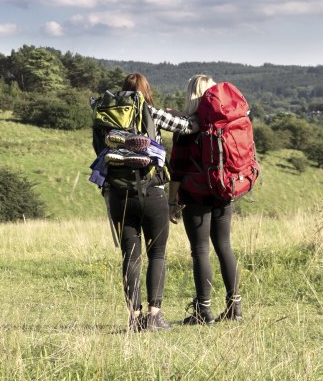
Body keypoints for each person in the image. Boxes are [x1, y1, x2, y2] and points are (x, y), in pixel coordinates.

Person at [97, 73, 199, 332]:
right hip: (152, 191)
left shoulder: (105, 115)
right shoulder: (152, 112)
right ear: (146, 92)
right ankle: (154, 316)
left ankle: (134, 318)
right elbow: (189, 127)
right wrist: (188, 114)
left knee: (130, 256)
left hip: (119, 194)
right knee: (157, 253)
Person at [168, 74, 242, 325]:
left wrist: (171, 201)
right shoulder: (225, 122)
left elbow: (176, 168)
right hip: (224, 190)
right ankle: (235, 308)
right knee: (224, 246)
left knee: (200, 251)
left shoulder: (186, 128)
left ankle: (204, 311)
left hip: (195, 194)